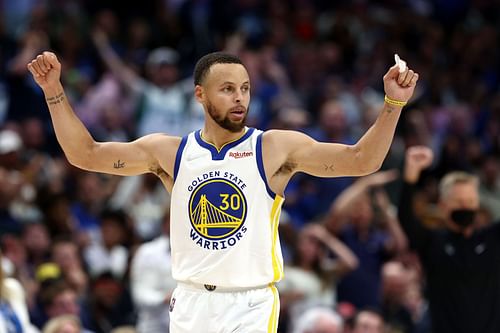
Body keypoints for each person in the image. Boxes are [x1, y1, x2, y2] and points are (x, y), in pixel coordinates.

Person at [27, 50, 418, 332]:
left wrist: (393, 104)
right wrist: (53, 91)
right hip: (191, 300)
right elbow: (85, 154)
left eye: (245, 88)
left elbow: (361, 160)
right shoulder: (172, 152)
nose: (240, 98)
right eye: (228, 89)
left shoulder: (273, 148)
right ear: (200, 95)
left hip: (250, 302)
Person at [398, 145, 500, 333]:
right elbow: (405, 218)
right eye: (459, 202)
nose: (466, 207)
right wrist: (411, 173)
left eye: (470, 202)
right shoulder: (433, 242)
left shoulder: (493, 239)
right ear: (443, 205)